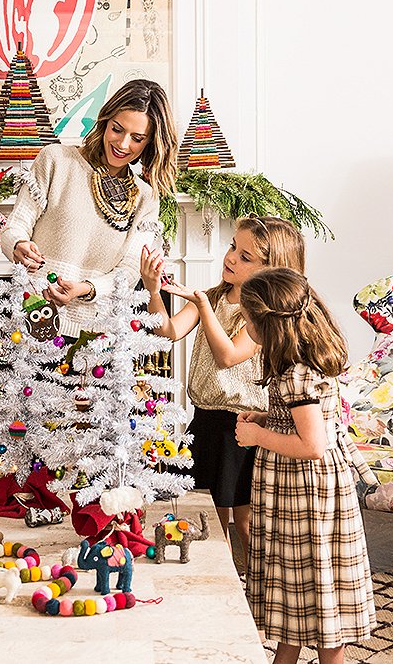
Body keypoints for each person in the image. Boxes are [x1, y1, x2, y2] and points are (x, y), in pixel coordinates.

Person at [140, 216, 304, 565]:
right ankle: (224, 574)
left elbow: (228, 356)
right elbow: (168, 331)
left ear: (270, 269)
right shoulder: (213, 297)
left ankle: (252, 580)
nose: (231, 258)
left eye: (246, 257)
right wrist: (154, 291)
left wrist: (203, 308)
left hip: (242, 424)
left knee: (242, 516)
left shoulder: (262, 313)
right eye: (233, 247)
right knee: (213, 512)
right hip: (207, 419)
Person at [234, 267, 376, 664]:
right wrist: (267, 420)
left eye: (247, 321)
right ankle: (287, 653)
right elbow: (313, 422)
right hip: (305, 489)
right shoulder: (301, 364)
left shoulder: (295, 376)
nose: (245, 328)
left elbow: (312, 444)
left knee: (312, 584)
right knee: (303, 591)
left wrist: (258, 437)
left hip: (304, 494)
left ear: (268, 325)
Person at [0, 78, 178, 338]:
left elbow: (128, 273)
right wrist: (17, 245)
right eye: (117, 129)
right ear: (105, 121)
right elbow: (16, 225)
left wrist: (85, 288)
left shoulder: (145, 198)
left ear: (149, 143)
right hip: (33, 324)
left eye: (137, 138)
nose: (123, 144)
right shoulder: (56, 160)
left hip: (97, 339)